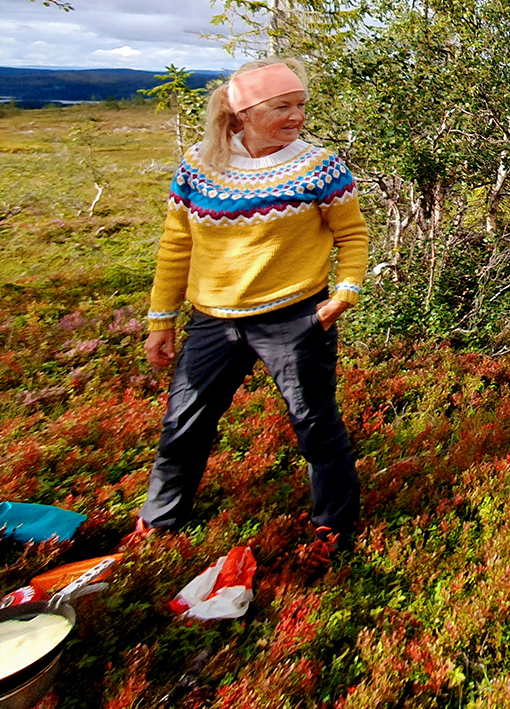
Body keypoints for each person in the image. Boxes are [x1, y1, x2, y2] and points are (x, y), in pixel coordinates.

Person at [132, 59, 368, 556]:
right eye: (282, 106)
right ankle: (158, 522)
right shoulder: (199, 165)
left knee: (315, 425)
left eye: (301, 105)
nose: (297, 116)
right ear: (242, 114)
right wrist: (161, 319)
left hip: (294, 319)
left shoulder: (319, 164)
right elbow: (177, 246)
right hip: (213, 321)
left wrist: (342, 295)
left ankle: (334, 527)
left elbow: (352, 234)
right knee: (185, 422)